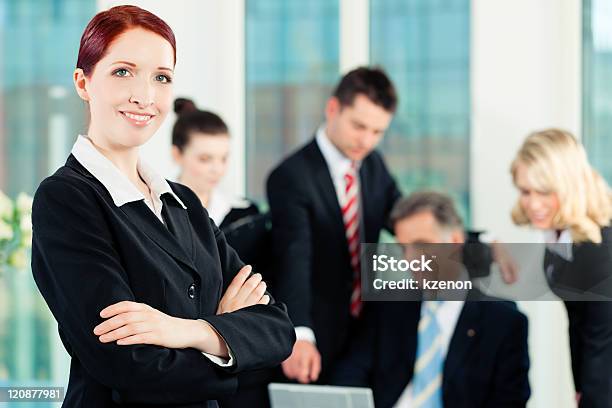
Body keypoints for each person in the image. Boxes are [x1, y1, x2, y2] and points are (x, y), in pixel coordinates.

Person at [30, 6, 294, 408]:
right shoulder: (66, 199)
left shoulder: (182, 202)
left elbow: (277, 329)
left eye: (161, 77)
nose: (145, 95)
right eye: (123, 71)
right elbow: (128, 364)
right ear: (83, 82)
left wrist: (183, 330)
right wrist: (227, 337)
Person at [332, 191, 531, 408]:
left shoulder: (503, 322)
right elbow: (350, 374)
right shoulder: (388, 305)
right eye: (403, 248)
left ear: (455, 241)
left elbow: (510, 401)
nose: (410, 259)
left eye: (421, 245)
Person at [266, 66, 401, 383]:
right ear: (332, 109)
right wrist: (300, 334)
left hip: (367, 328)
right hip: (318, 332)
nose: (366, 141)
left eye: (377, 132)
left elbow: (405, 220)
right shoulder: (291, 176)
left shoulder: (373, 166)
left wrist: (470, 245)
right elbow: (294, 258)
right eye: (359, 126)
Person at [510, 128, 612, 407]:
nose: (533, 204)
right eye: (525, 191)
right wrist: (580, 389)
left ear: (569, 186)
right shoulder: (560, 233)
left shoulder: (601, 249)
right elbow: (578, 321)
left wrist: (591, 397)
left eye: (545, 192)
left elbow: (602, 339)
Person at [171, 98, 259, 229]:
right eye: (205, 159)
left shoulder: (245, 215)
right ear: (177, 154)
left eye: (223, 159)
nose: (217, 169)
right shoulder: (155, 214)